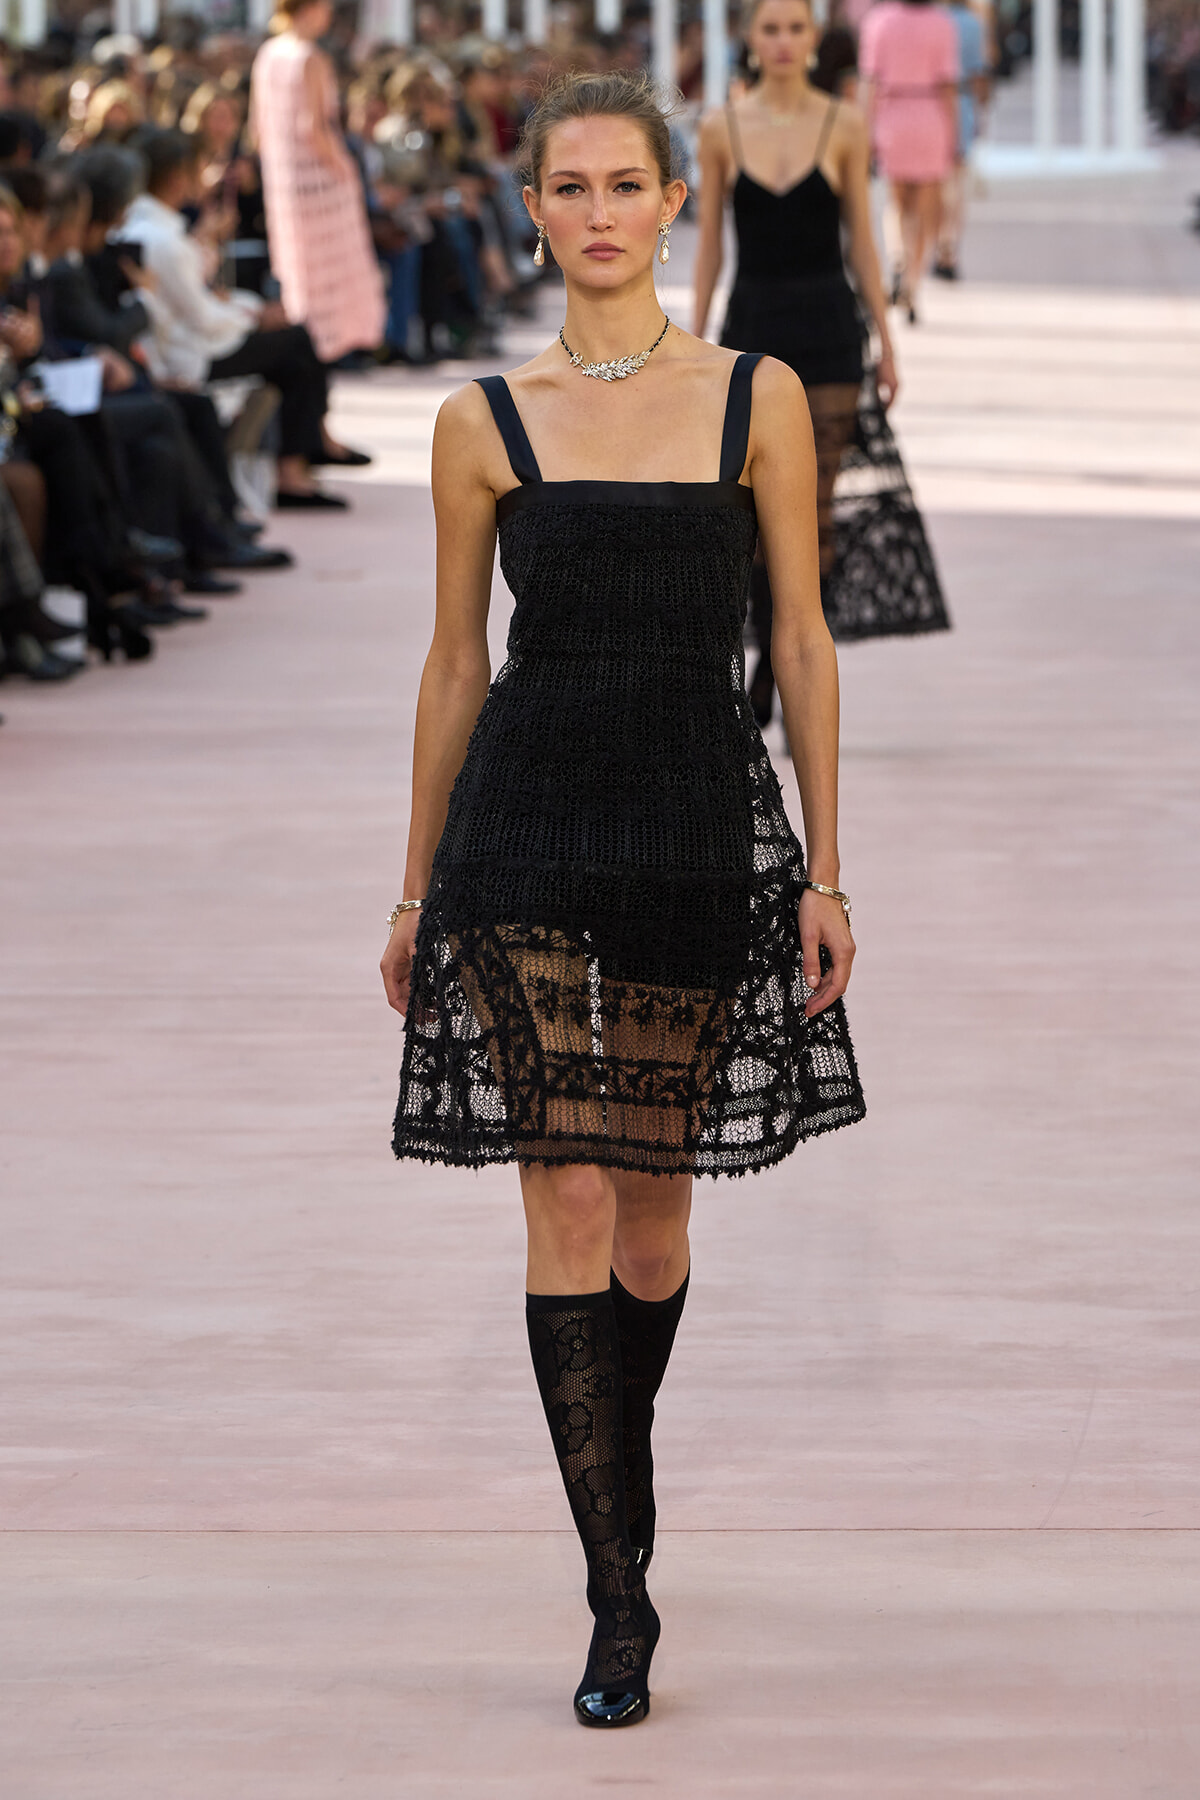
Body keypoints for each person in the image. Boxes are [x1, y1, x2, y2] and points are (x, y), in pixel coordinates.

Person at [381, 71, 865, 1730]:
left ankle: (621, 1459)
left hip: (692, 824)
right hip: (523, 824)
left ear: (673, 204)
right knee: (570, 1195)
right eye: (567, 186)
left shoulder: (755, 397)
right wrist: (412, 888)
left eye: (623, 184)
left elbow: (799, 638)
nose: (596, 212)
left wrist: (824, 866)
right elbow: (455, 666)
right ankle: (616, 1588)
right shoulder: (480, 422)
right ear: (533, 211)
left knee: (655, 1218)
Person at [696, 0, 947, 710]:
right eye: (770, 28)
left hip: (830, 330)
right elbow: (710, 245)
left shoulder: (844, 124)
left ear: (813, 39)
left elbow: (862, 240)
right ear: (751, 38)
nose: (783, 41)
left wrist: (887, 342)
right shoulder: (720, 129)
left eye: (795, 28)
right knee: (748, 505)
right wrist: (693, 341)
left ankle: (786, 659)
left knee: (817, 507)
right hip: (753, 327)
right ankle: (769, 649)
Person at [117, 129, 356, 508]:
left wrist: (248, 308)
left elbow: (205, 296)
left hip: (196, 341)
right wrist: (254, 317)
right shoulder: (161, 238)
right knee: (295, 344)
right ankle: (294, 468)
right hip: (190, 355)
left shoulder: (161, 229)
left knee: (293, 346)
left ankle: (301, 458)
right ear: (178, 176)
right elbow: (202, 316)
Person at [250, 0, 385, 365]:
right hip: (322, 183)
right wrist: (346, 168)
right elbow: (315, 128)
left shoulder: (267, 54)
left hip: (283, 182)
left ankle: (310, 348)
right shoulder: (309, 57)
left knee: (299, 268)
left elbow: (256, 130)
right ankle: (331, 348)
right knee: (336, 268)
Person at [858, 0, 960, 321]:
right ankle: (913, 283)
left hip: (893, 114)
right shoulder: (942, 23)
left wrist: (865, 131)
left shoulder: (878, 21)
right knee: (926, 211)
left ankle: (898, 256)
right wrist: (955, 136)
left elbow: (869, 82)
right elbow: (949, 86)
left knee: (897, 202)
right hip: (930, 115)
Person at [934, 0, 990, 280]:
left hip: (934, 104)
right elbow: (980, 72)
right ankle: (949, 246)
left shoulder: (935, 20)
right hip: (962, 101)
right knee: (956, 181)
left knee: (938, 181)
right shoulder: (973, 24)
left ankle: (939, 243)